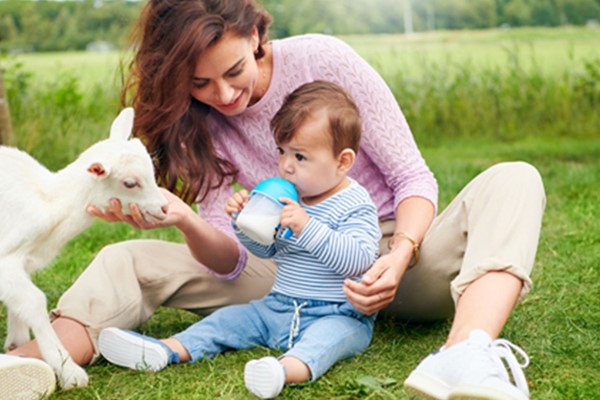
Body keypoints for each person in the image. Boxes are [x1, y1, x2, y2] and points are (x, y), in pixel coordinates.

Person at [1, 1, 546, 399]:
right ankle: (27, 364)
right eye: (201, 83)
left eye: (234, 71)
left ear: (256, 32)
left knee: (514, 178)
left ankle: (463, 355)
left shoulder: (323, 60)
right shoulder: (201, 126)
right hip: (286, 271)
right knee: (125, 258)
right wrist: (187, 218)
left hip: (386, 255)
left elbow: (412, 177)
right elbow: (234, 260)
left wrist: (399, 254)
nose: (225, 95)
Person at [96, 80, 381, 399]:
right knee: (229, 320)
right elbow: (269, 249)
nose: (286, 166)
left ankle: (282, 370)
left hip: (335, 312)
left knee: (325, 341)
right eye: (282, 151)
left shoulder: (355, 203)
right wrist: (245, 225)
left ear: (342, 162)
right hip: (279, 306)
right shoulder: (290, 197)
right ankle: (167, 350)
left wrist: (307, 227)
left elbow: (358, 259)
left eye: (300, 157)